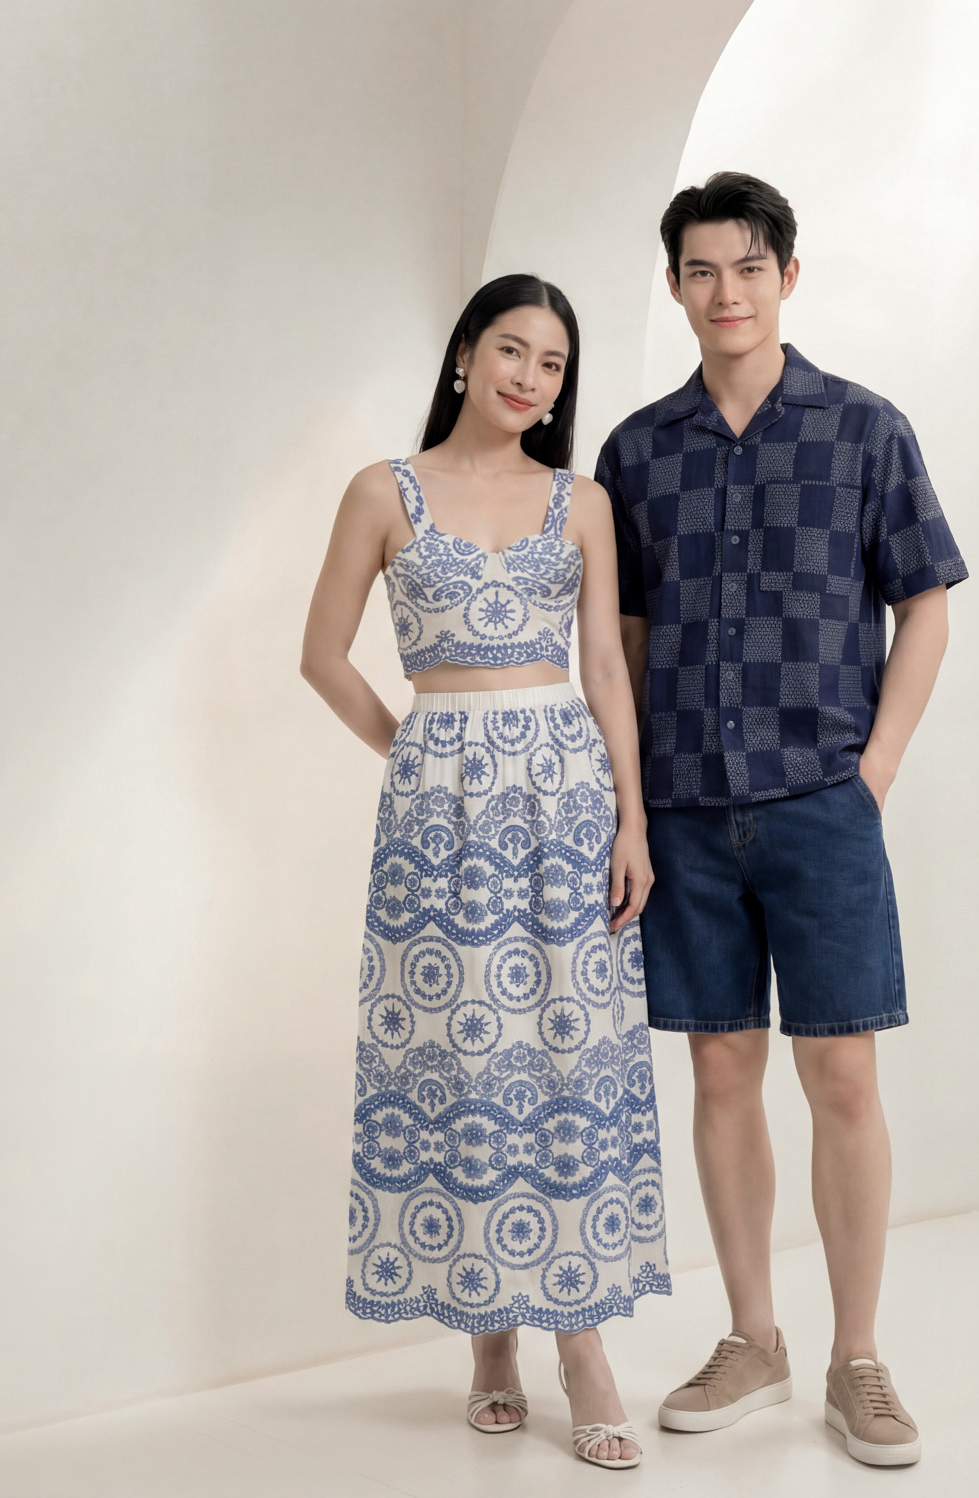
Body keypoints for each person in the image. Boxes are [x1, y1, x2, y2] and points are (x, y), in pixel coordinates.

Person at [595, 173, 967, 1468]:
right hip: (687, 813)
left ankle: (858, 1357)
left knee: (843, 1075)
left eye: (749, 267)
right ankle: (753, 1336)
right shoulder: (636, 453)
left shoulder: (865, 430)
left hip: (823, 806)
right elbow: (622, 643)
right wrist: (631, 804)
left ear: (787, 277)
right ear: (674, 285)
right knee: (720, 1072)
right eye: (701, 271)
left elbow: (925, 602)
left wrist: (875, 770)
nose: (727, 293)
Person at [301, 274, 669, 1471]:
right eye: (512, 350)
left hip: (566, 794)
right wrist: (413, 748)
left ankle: (584, 1347)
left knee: (567, 1058)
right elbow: (321, 655)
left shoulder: (582, 500)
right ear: (465, 353)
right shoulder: (383, 491)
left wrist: (632, 819)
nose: (529, 378)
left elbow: (605, 669)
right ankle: (489, 1335)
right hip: (438, 813)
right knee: (465, 1059)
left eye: (552, 364)